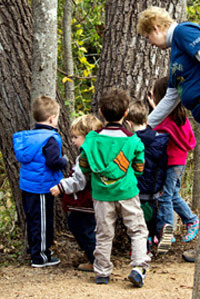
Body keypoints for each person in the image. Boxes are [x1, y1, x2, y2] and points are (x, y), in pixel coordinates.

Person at [79, 88, 150, 287]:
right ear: (126, 113)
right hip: (127, 192)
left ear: (100, 111)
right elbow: (139, 168)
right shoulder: (133, 140)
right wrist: (128, 175)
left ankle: (102, 271)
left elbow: (84, 165)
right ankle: (138, 267)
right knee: (137, 231)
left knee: (103, 233)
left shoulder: (91, 139)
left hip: (101, 194)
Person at [13, 95, 68, 267]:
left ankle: (34, 248)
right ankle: (41, 256)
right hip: (42, 187)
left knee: (33, 219)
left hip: (28, 186)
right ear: (52, 118)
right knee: (42, 222)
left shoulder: (28, 138)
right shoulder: (50, 138)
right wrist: (64, 161)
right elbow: (52, 162)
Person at [150, 77, 198, 254]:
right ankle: (190, 220)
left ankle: (166, 231)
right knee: (172, 195)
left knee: (164, 196)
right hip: (180, 162)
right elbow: (190, 141)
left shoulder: (165, 120)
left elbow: (153, 128)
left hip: (170, 163)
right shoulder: (181, 117)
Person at [50, 114, 103, 272]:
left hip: (85, 202)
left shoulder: (85, 158)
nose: (72, 141)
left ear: (87, 136)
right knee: (90, 229)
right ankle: (95, 257)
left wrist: (61, 186)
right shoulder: (99, 153)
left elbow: (79, 180)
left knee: (82, 228)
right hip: (95, 200)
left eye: (75, 137)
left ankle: (96, 260)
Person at [137, 6, 200, 128]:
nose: (150, 43)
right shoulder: (176, 51)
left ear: (156, 28)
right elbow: (171, 97)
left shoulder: (183, 32)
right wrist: (146, 127)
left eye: (148, 37)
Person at [126, 100, 169, 250]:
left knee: (137, 218)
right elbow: (164, 166)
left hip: (136, 188)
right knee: (152, 211)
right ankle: (157, 232)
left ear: (129, 123)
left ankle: (144, 245)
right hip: (155, 187)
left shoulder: (130, 142)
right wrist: (162, 184)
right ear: (147, 120)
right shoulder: (161, 140)